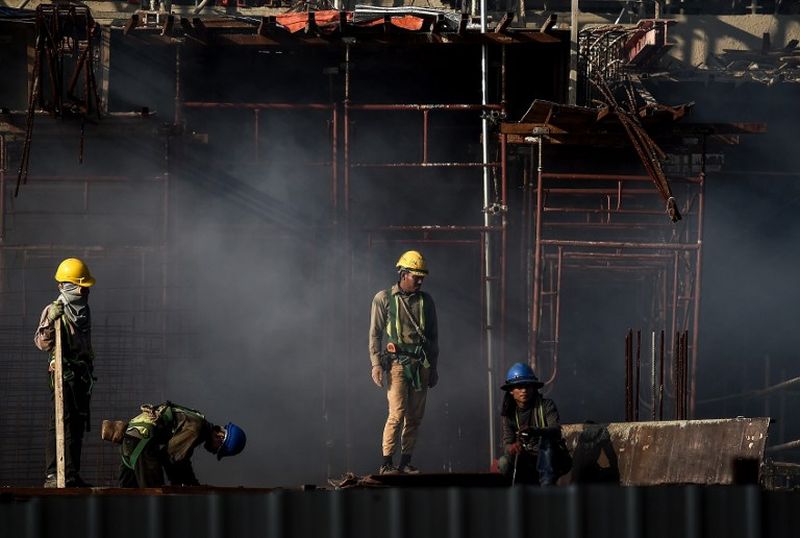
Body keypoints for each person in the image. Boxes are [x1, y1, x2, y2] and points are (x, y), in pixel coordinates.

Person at [369, 250, 439, 475]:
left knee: (414, 417)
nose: (419, 280)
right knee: (396, 413)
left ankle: (405, 462)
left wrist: (434, 367)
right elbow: (375, 334)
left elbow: (433, 337)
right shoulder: (384, 298)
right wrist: (376, 364)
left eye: (421, 277)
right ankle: (386, 462)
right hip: (398, 364)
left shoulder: (426, 301)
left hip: (421, 364)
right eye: (415, 276)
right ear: (403, 273)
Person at [34, 257, 96, 488]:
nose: (86, 291)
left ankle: (71, 472)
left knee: (78, 424)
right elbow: (42, 343)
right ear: (72, 286)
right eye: (83, 287)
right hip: (63, 374)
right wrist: (50, 322)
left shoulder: (85, 311)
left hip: (81, 376)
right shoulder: (54, 309)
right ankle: (53, 474)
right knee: (61, 421)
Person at [118, 401, 246, 487]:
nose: (214, 452)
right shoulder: (196, 429)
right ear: (221, 436)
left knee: (124, 497)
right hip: (141, 448)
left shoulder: (197, 422)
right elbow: (170, 457)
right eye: (218, 449)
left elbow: (182, 459)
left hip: (131, 441)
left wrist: (192, 483)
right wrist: (180, 485)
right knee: (153, 502)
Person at [497, 362, 564, 485]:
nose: (524, 390)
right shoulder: (509, 414)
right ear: (511, 391)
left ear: (534, 388)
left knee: (547, 442)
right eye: (519, 386)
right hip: (526, 459)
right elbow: (507, 442)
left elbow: (556, 430)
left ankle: (547, 488)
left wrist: (534, 431)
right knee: (503, 463)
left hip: (549, 457)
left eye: (528, 386)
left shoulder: (546, 405)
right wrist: (512, 448)